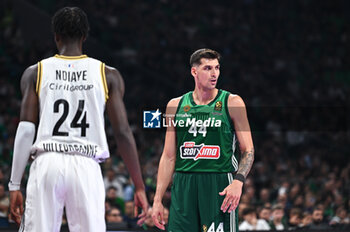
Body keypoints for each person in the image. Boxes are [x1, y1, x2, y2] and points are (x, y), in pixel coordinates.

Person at [8, 7, 148, 232]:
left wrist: (14, 185)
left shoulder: (36, 72)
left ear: (56, 36)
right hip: (86, 165)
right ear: (85, 36)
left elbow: (25, 130)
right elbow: (122, 132)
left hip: (47, 162)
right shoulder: (107, 74)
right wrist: (139, 186)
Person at [152, 48, 254, 231]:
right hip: (183, 184)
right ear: (194, 71)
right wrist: (158, 199)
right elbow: (168, 156)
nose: (214, 73)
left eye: (217, 68)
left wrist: (238, 182)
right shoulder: (174, 106)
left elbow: (248, 150)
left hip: (219, 182)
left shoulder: (233, 102)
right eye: (207, 68)